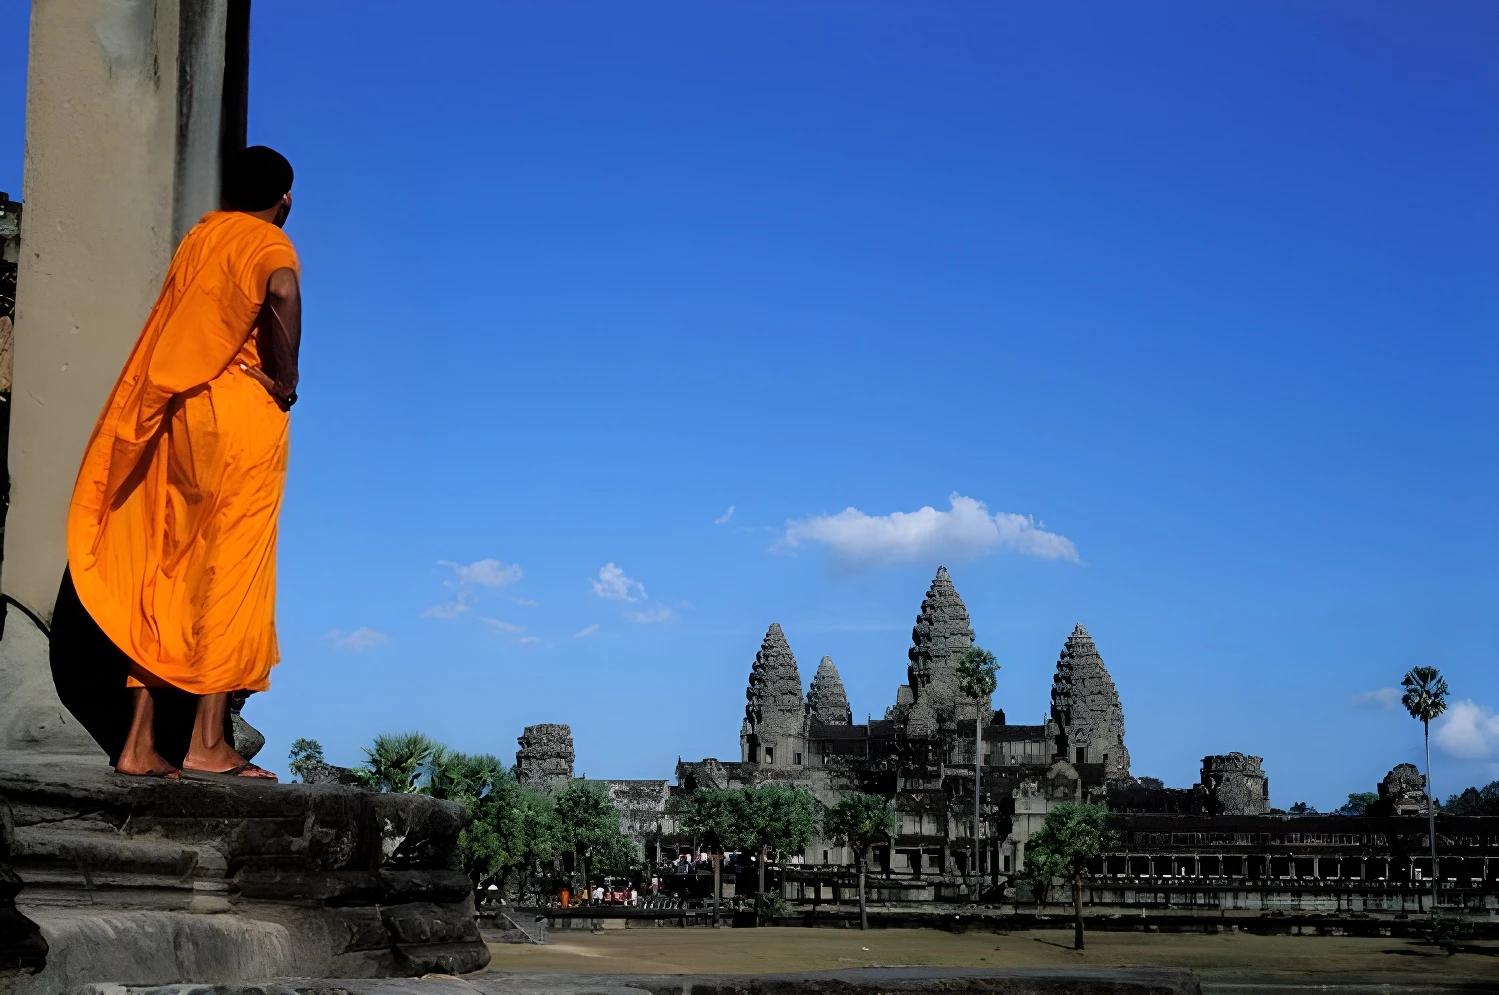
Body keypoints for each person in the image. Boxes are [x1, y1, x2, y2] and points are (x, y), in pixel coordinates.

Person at [59, 145, 302, 781]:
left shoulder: (200, 238)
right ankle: (206, 741)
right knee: (231, 571)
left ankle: (139, 744)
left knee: (172, 570)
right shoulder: (266, 241)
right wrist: (286, 378)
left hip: (183, 413)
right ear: (285, 199)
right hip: (240, 419)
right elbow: (281, 289)